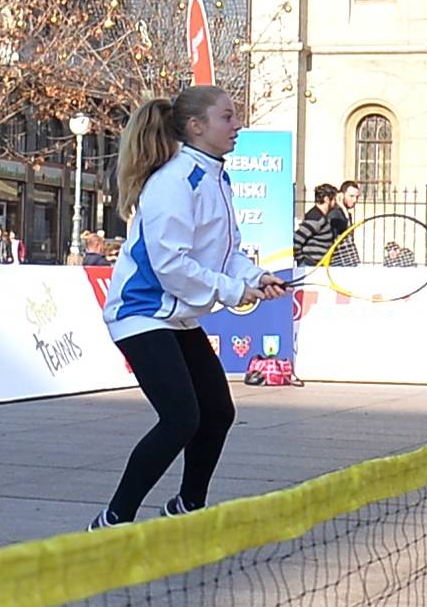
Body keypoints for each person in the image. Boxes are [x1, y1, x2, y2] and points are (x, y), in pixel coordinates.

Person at [90, 85, 289, 529]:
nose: (237, 125)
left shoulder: (215, 176)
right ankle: (112, 520)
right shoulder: (176, 181)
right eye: (228, 117)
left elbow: (225, 252)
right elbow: (170, 264)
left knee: (217, 412)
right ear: (197, 127)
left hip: (174, 317)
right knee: (181, 417)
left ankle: (186, 509)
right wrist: (234, 291)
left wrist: (256, 277)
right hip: (141, 313)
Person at [294, 183, 340, 261]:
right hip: (312, 265)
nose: (336, 203)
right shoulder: (316, 218)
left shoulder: (321, 217)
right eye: (334, 200)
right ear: (326, 199)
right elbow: (296, 241)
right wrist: (302, 261)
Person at [328, 180, 361, 266]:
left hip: (347, 261)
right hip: (338, 262)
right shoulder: (335, 214)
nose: (354, 200)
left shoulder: (345, 213)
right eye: (351, 196)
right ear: (341, 195)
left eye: (357, 197)